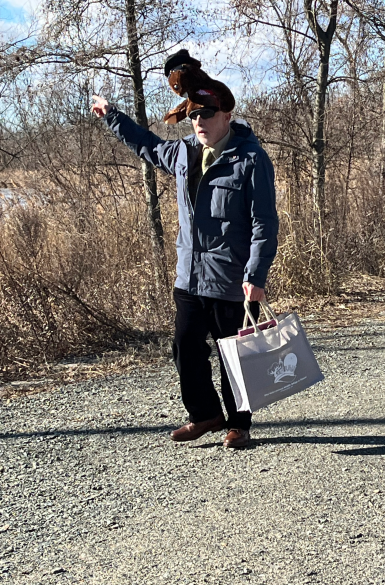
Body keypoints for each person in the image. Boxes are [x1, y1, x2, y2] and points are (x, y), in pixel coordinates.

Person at [91, 61, 278, 449]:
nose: (198, 121)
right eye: (193, 115)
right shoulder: (182, 154)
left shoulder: (250, 160)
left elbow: (264, 223)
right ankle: (205, 415)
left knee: (235, 358)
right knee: (185, 348)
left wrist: (256, 276)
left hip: (232, 280)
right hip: (189, 277)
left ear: (227, 115)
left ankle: (239, 425)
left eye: (207, 114)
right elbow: (146, 143)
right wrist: (112, 116)